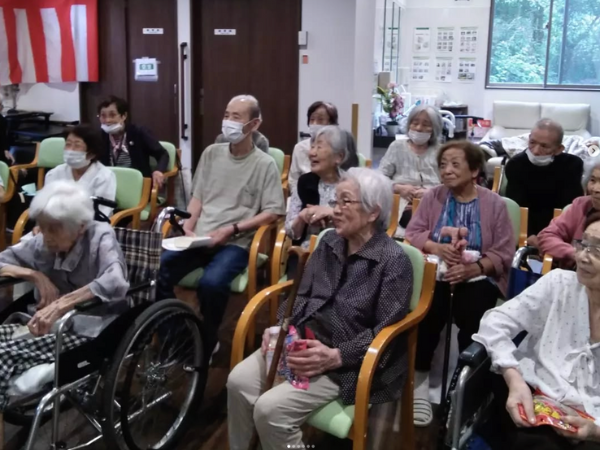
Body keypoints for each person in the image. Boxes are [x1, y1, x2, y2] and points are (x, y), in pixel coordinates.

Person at [227, 168, 413, 450]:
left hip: (348, 362)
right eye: (335, 201)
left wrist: (335, 357)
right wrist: (281, 327)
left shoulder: (393, 261)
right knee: (238, 382)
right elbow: (300, 295)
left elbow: (386, 333)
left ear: (373, 212)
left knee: (270, 410)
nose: (334, 210)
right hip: (302, 342)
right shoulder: (329, 242)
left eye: (344, 202)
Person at [156, 94, 286, 361]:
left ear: (254, 124)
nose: (228, 122)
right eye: (227, 115)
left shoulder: (265, 164)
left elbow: (273, 211)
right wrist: (188, 227)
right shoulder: (211, 154)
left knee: (212, 283)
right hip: (200, 237)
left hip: (236, 242)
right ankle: (175, 335)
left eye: (236, 117)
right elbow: (198, 198)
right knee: (158, 270)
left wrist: (232, 229)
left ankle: (208, 338)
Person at [405, 140, 515, 426]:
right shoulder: (433, 197)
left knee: (476, 318)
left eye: (455, 164)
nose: (447, 170)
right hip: (438, 271)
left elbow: (504, 252)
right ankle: (419, 386)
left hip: (478, 275)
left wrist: (473, 269)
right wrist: (436, 247)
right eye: (443, 165)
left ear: (475, 169)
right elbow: (414, 233)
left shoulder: (494, 204)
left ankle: (464, 390)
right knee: (426, 313)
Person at [472, 212, 600, 450]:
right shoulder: (559, 284)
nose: (583, 257)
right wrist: (514, 378)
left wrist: (595, 433)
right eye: (583, 244)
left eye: (598, 250)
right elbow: (495, 321)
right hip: (531, 394)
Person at [0, 180, 129, 408]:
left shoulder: (100, 236)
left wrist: (62, 304)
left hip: (94, 327)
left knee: (4, 356)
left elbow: (116, 281)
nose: (46, 236)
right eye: (43, 226)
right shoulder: (43, 242)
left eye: (54, 228)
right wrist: (34, 275)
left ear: (79, 226)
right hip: (47, 325)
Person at [505, 119, 583, 239]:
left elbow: (570, 207)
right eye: (532, 142)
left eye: (544, 146)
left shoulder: (572, 165)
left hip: (561, 229)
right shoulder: (516, 164)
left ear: (559, 149)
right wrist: (529, 235)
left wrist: (553, 237)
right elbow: (517, 207)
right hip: (526, 229)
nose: (535, 151)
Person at [285, 125, 352, 249]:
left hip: (342, 252)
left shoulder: (351, 185)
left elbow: (359, 226)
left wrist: (332, 213)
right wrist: (302, 217)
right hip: (307, 253)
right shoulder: (305, 182)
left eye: (319, 147)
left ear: (339, 157)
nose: (312, 153)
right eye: (312, 147)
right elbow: (290, 233)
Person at [379, 105, 443, 228]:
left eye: (426, 124)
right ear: (409, 125)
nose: (419, 128)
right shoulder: (397, 147)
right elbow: (380, 178)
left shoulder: (441, 151)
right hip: (401, 203)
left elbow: (450, 184)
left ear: (434, 129)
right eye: (415, 123)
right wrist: (398, 188)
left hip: (433, 203)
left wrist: (431, 192)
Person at [538, 156, 600, 267]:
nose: (596, 189)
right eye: (593, 180)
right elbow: (547, 236)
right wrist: (575, 253)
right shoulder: (581, 205)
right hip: (573, 275)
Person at [45, 124, 116, 218]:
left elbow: (102, 212)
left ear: (91, 154)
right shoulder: (54, 173)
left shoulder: (104, 176)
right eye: (68, 144)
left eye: (77, 145)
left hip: (91, 227)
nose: (70, 150)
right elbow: (46, 206)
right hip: (55, 227)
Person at [97, 95, 169, 189]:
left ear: (124, 116)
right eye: (103, 116)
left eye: (112, 115)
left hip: (138, 187)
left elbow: (163, 154)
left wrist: (159, 171)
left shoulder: (139, 132)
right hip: (109, 186)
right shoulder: (100, 136)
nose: (107, 120)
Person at [289, 101, 339, 191]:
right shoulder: (299, 148)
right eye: (312, 120)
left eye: (320, 120)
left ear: (331, 124)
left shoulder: (338, 148)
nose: (315, 124)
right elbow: (293, 180)